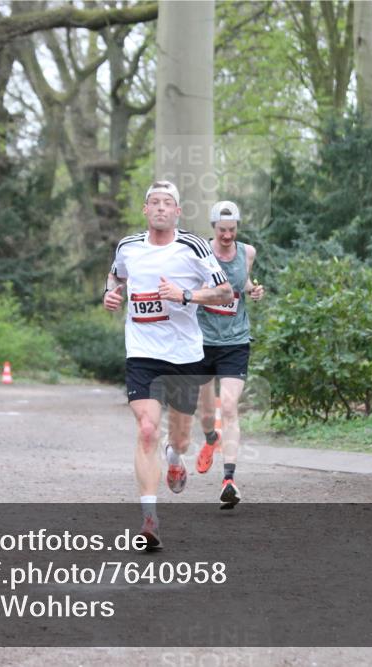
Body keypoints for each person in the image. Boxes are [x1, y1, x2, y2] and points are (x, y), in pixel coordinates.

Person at [103, 180, 233, 549]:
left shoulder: (192, 246)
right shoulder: (128, 247)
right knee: (146, 429)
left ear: (177, 212)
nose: (160, 208)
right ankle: (149, 519)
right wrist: (109, 295)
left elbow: (224, 292)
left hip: (184, 355)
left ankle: (175, 455)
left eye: (168, 203)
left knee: (178, 438)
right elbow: (115, 277)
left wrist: (186, 294)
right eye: (154, 202)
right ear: (145, 210)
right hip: (142, 353)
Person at [194, 200, 264, 509]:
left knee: (231, 407)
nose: (227, 236)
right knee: (207, 415)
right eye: (222, 230)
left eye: (232, 230)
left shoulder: (247, 253)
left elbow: (242, 282)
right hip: (202, 341)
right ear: (213, 229)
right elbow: (191, 288)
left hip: (235, 341)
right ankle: (211, 439)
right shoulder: (199, 254)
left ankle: (229, 480)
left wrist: (252, 290)